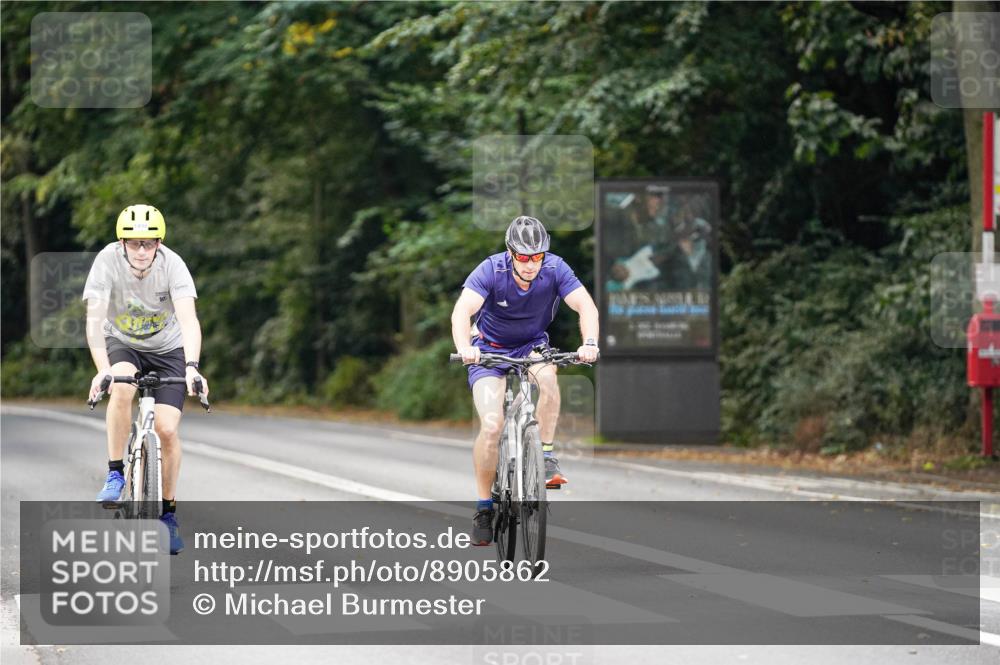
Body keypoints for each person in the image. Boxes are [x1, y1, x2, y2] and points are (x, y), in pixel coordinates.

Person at [451, 216, 599, 545]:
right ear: (510, 253)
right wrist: (465, 348)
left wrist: (589, 344)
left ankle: (544, 455)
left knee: (548, 380)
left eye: (537, 257)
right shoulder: (491, 270)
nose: (531, 264)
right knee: (491, 425)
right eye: (523, 257)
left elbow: (585, 306)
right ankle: (484, 506)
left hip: (531, 345)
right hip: (488, 349)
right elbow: (462, 312)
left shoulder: (556, 269)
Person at [82, 204, 209, 554]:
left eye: (149, 243)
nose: (141, 250)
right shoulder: (107, 262)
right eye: (134, 243)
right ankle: (115, 473)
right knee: (122, 385)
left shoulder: (174, 266)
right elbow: (94, 322)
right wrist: (103, 368)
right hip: (122, 343)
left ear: (159, 244)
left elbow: (189, 321)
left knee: (167, 430)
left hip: (168, 349)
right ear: (122, 243)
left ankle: (167, 515)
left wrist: (192, 366)